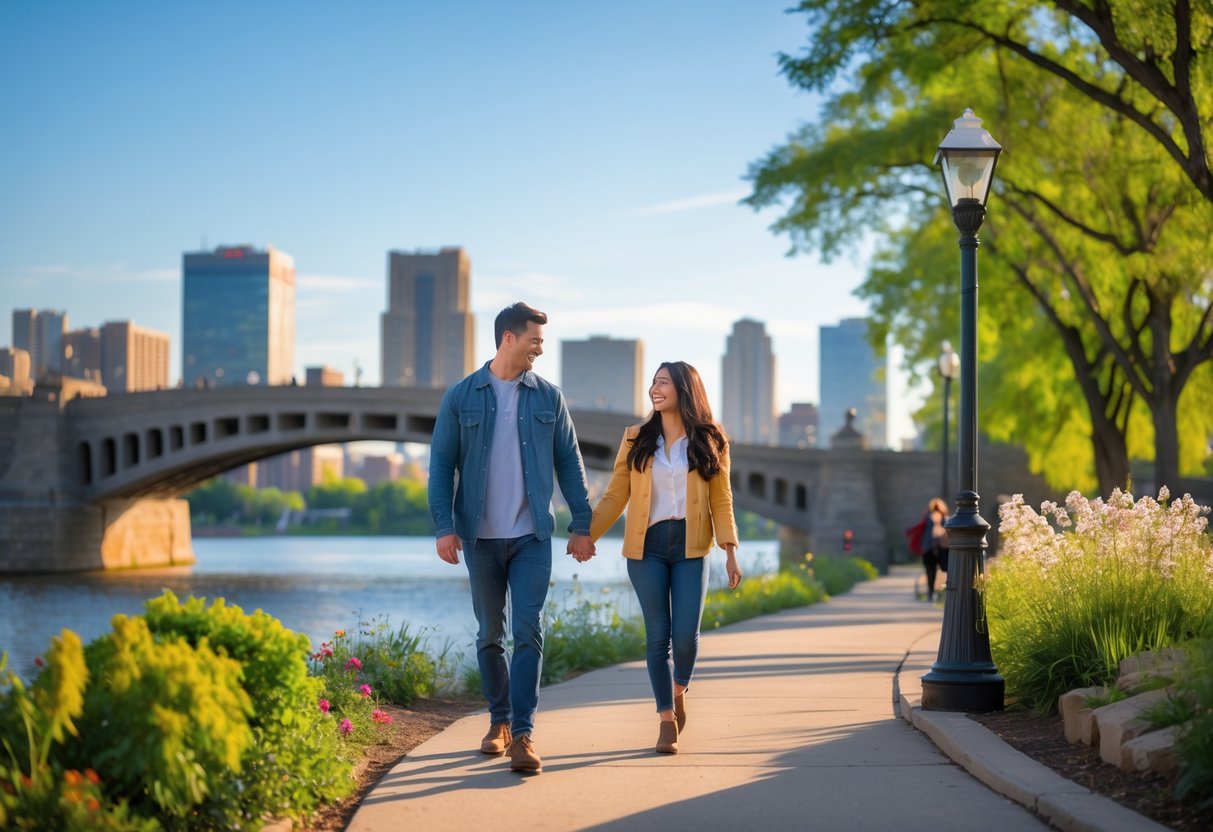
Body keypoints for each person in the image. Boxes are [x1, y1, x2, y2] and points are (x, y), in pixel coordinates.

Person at [428, 301, 595, 775]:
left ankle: (523, 732)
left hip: (531, 537)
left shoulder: (548, 398)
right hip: (479, 539)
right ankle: (498, 721)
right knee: (489, 635)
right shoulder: (462, 396)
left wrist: (581, 524)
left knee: (529, 632)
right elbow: (441, 465)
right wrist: (445, 526)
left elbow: (571, 464)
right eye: (535, 341)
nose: (540, 349)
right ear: (508, 338)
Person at [589, 361, 743, 755]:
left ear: (684, 390)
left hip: (692, 547)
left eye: (663, 383)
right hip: (647, 548)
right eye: (653, 382)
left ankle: (678, 690)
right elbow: (614, 495)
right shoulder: (635, 438)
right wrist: (585, 535)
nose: (654, 389)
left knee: (686, 638)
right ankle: (665, 720)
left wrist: (729, 552)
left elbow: (721, 501)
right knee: (658, 637)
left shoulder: (711, 440)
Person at [920, 497, 950, 602]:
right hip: (941, 547)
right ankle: (946, 591)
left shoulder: (927, 518)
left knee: (931, 571)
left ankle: (931, 592)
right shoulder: (945, 518)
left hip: (929, 547)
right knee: (946, 569)